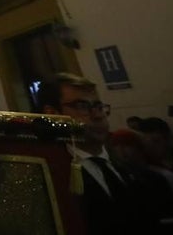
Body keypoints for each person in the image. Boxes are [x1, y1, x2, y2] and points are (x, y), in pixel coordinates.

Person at [37, 72, 156, 234]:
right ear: (53, 114)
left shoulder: (134, 168)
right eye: (82, 106)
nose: (98, 115)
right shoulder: (49, 176)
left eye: (99, 107)